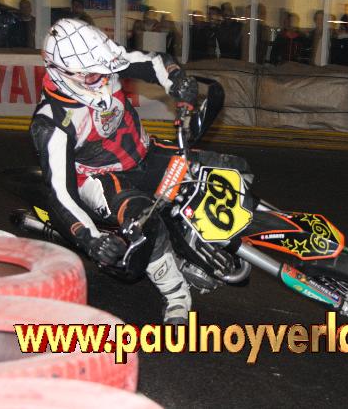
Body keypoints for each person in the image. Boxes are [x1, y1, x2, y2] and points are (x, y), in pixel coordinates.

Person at [31, 19, 212, 325]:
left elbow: (154, 61)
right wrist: (91, 240)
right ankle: (177, 295)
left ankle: (197, 245)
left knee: (210, 169)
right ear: (63, 73)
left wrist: (177, 80)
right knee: (144, 221)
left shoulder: (100, 63)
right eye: (94, 75)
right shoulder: (51, 122)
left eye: (107, 71)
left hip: (144, 151)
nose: (105, 78)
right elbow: (61, 194)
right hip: (101, 178)